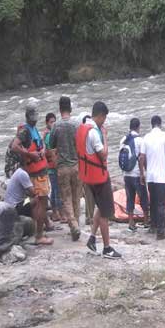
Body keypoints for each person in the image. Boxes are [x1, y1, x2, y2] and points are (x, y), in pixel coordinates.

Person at [76, 101, 121, 259]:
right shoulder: (94, 132)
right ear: (100, 116)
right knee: (105, 213)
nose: (104, 122)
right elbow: (104, 154)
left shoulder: (83, 127)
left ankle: (92, 238)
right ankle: (107, 248)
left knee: (100, 208)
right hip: (99, 178)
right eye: (104, 118)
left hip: (89, 177)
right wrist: (106, 138)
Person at [11, 106, 53, 245]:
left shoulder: (33, 129)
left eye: (35, 116)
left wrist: (42, 151)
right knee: (41, 204)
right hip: (36, 174)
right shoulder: (25, 131)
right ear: (28, 117)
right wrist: (30, 154)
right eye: (32, 116)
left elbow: (39, 146)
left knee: (36, 203)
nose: (34, 119)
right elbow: (14, 146)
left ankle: (38, 231)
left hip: (38, 172)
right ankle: (39, 236)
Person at [49, 97, 82, 241]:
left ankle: (73, 225)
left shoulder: (56, 126)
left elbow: (51, 145)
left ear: (60, 109)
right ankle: (77, 225)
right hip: (76, 166)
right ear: (70, 108)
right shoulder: (77, 124)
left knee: (66, 198)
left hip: (63, 167)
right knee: (76, 196)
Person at [139, 115, 165, 240]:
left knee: (152, 202)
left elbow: (141, 157)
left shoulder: (146, 137)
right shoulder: (164, 136)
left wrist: (142, 173)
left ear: (152, 125)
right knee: (161, 204)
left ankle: (153, 227)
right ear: (160, 124)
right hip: (160, 177)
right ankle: (160, 231)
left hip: (150, 177)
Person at [120, 118, 149, 232]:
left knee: (129, 198)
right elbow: (142, 158)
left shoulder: (123, 139)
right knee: (143, 197)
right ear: (138, 127)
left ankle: (131, 222)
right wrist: (143, 173)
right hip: (136, 174)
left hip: (126, 174)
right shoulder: (140, 140)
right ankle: (146, 221)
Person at [43, 112, 65, 223]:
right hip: (52, 167)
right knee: (57, 190)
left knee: (54, 190)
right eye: (51, 122)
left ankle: (55, 212)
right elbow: (52, 151)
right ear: (47, 123)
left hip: (51, 166)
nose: (53, 124)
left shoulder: (50, 133)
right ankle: (59, 214)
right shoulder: (48, 135)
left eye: (54, 122)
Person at [81, 115, 95, 226]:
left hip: (85, 169)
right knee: (89, 195)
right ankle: (90, 218)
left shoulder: (81, 136)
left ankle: (89, 217)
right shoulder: (90, 136)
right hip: (87, 170)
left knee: (89, 195)